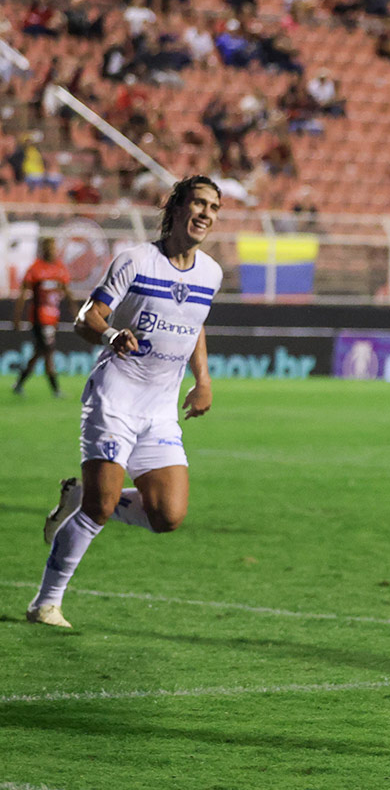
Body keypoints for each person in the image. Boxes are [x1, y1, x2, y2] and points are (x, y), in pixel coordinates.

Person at [25, 176, 224, 629]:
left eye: (213, 207)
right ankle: (45, 602)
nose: (206, 213)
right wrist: (113, 334)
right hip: (114, 397)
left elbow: (194, 325)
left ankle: (81, 497)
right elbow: (85, 317)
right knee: (101, 508)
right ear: (176, 208)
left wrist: (203, 380)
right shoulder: (135, 261)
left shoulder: (210, 273)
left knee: (168, 516)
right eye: (198, 203)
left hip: (159, 410)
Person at [11, 237, 78, 397]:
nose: (52, 251)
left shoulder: (60, 268)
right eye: (50, 248)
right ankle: (56, 390)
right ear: (44, 249)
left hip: (53, 317)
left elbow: (66, 290)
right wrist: (17, 317)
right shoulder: (35, 269)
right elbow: (23, 294)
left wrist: (75, 310)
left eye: (54, 248)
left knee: (39, 352)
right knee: (48, 351)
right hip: (39, 317)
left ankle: (19, 384)